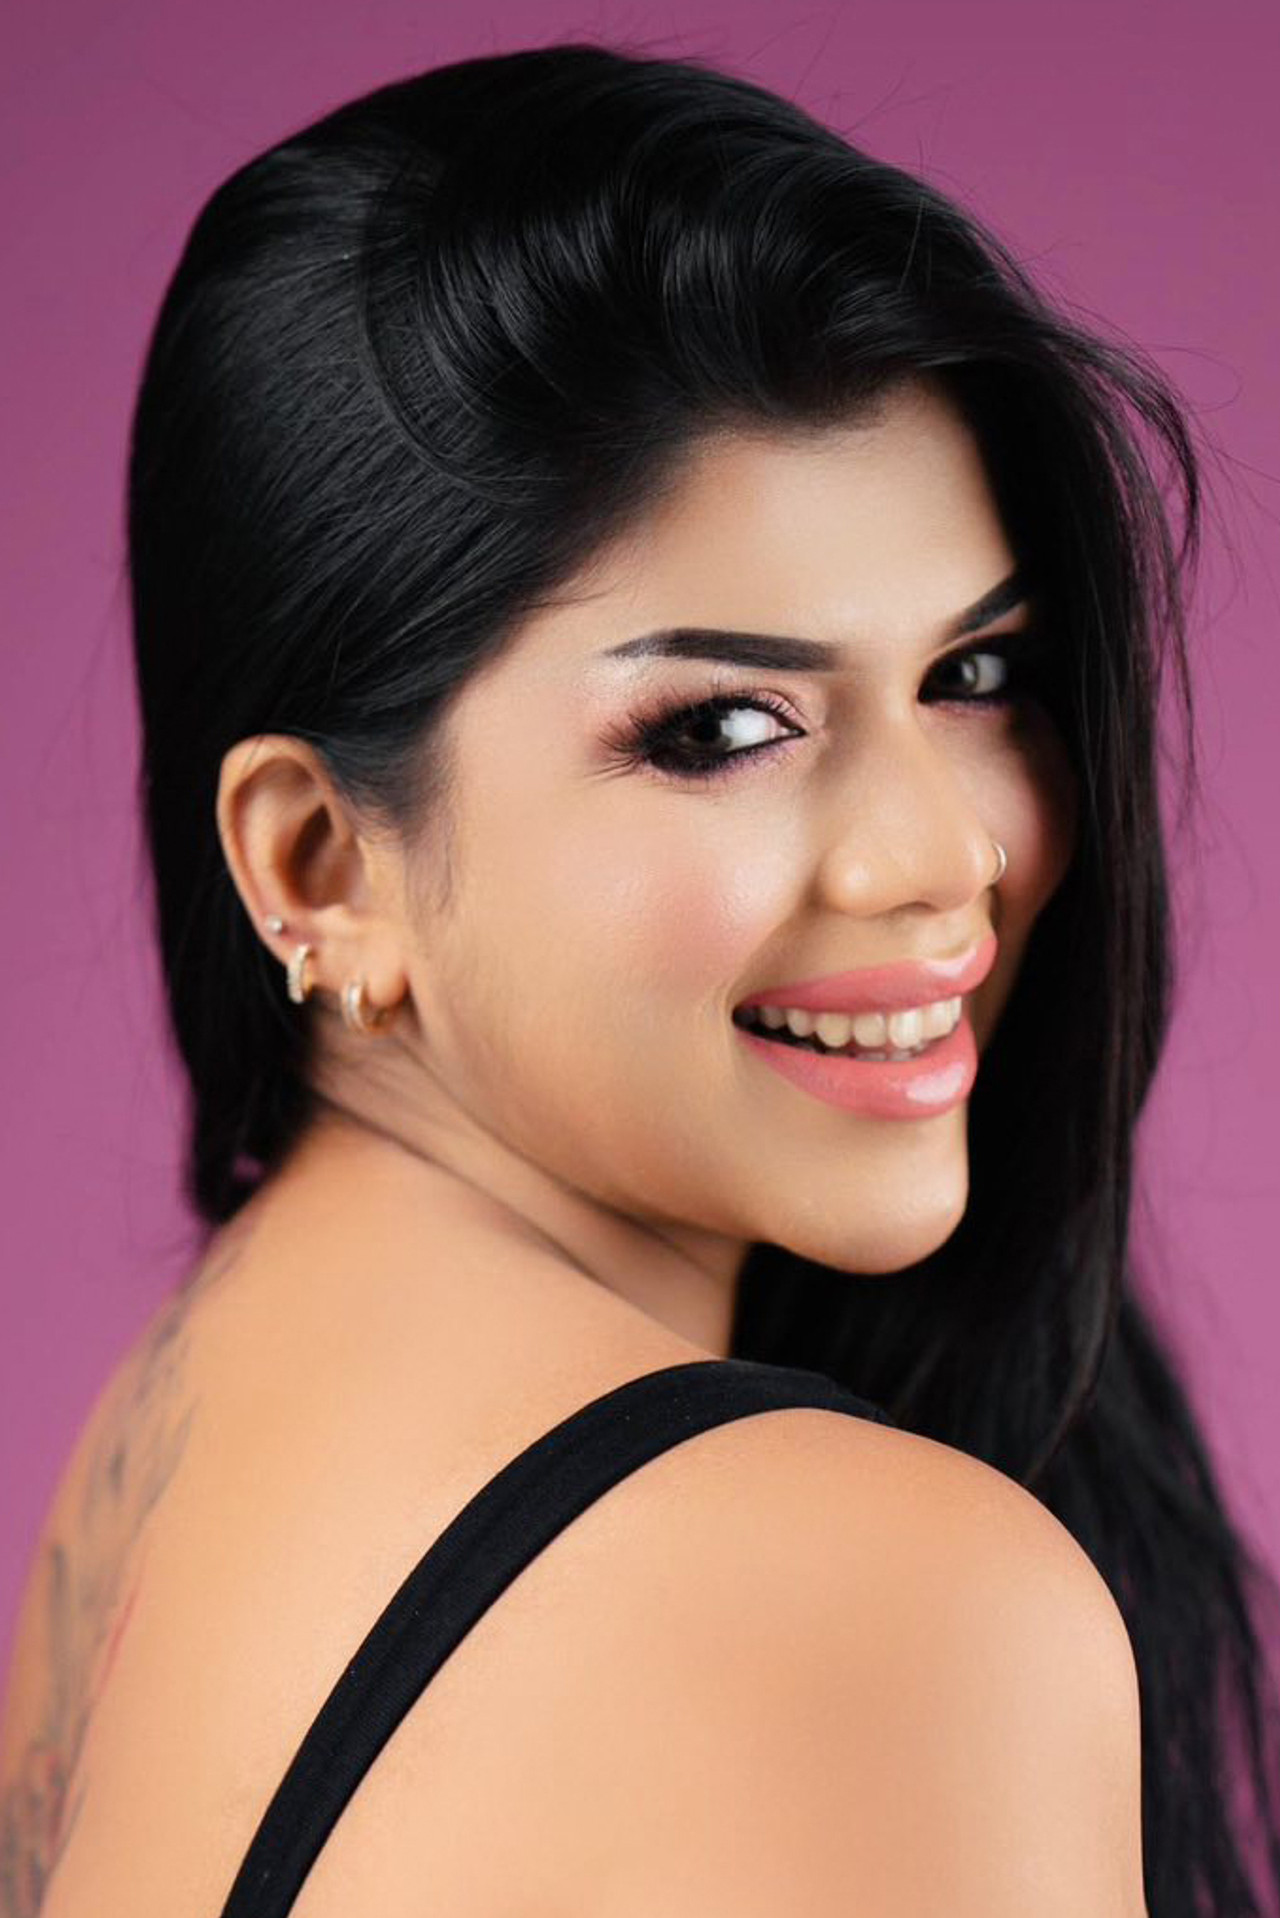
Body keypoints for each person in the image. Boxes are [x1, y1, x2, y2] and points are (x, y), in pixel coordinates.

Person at [2, 38, 1277, 1918]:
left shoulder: (183, 1429)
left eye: (976, 676)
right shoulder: (889, 1607)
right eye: (725, 726)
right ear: (320, 863)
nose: (938, 854)